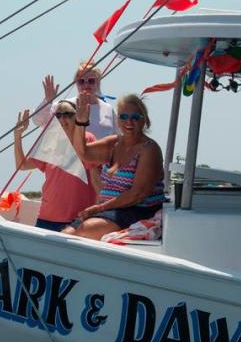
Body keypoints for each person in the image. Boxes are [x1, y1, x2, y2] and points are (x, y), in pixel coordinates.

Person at [63, 93, 165, 240]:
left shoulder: (150, 149)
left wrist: (99, 208)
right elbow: (83, 153)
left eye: (135, 117)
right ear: (117, 120)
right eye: (123, 116)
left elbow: (137, 194)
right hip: (109, 210)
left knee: (86, 229)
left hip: (138, 209)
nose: (129, 121)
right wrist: (81, 123)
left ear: (145, 120)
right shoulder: (114, 143)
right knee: (65, 235)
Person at [13, 101, 101, 231]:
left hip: (77, 220)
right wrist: (17, 136)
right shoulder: (50, 140)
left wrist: (99, 209)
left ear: (77, 116)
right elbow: (22, 165)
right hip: (47, 217)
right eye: (58, 115)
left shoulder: (87, 139)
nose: (62, 119)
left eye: (67, 114)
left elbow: (96, 179)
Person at [34, 61, 116, 139]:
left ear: (97, 82)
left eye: (91, 81)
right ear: (75, 83)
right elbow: (38, 120)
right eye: (81, 81)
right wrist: (48, 100)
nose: (86, 84)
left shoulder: (108, 108)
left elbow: (118, 138)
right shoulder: (64, 106)